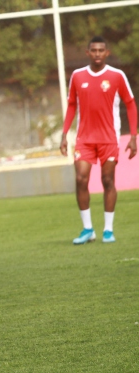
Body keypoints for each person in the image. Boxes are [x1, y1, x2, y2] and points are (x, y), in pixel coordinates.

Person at [60, 36, 137, 244]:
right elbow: (71, 106)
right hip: (84, 139)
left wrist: (133, 137)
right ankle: (88, 229)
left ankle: (108, 230)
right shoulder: (77, 76)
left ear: (107, 53)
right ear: (87, 53)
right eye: (93, 50)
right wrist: (64, 134)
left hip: (108, 139)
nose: (97, 54)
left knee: (108, 181)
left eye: (101, 50)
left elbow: (130, 104)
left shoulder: (117, 76)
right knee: (80, 179)